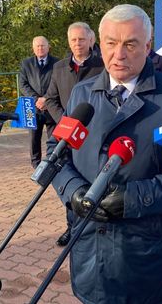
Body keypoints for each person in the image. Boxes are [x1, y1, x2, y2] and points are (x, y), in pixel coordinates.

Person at [50, 4, 162, 304]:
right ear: (100, 44)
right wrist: (73, 192)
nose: (119, 54)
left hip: (147, 254)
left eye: (130, 44)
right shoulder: (82, 93)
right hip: (90, 250)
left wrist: (134, 199)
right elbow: (56, 152)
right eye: (111, 43)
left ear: (148, 46)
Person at [44, 22, 104, 246]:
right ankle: (72, 227)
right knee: (71, 181)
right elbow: (50, 99)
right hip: (66, 134)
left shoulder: (102, 65)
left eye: (81, 39)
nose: (77, 43)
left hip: (93, 132)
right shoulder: (59, 67)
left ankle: (95, 227)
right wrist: (66, 121)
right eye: (73, 40)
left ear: (91, 40)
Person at [19, 36, 59, 168]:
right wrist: (36, 99)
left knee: (54, 137)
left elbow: (58, 83)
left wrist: (47, 99)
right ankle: (36, 165)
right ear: (33, 48)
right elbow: (23, 84)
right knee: (33, 138)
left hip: (51, 105)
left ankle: (52, 163)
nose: (40, 48)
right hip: (32, 107)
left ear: (48, 47)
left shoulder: (57, 63)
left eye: (43, 45)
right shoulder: (26, 64)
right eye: (37, 46)